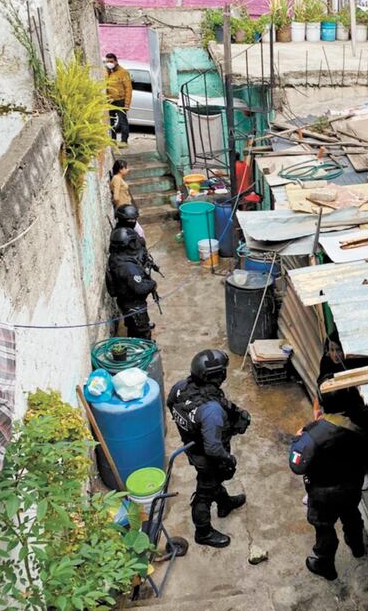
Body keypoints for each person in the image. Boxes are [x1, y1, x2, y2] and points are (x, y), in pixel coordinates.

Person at [167, 350, 251, 548]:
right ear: (216, 376)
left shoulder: (180, 387)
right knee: (204, 492)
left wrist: (191, 428)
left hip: (192, 446)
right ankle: (203, 532)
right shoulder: (211, 411)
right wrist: (228, 458)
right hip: (206, 456)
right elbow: (213, 449)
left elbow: (170, 404)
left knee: (212, 482)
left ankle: (224, 503)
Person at [289, 386, 368, 581]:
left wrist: (297, 439)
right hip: (351, 486)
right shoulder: (359, 424)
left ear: (323, 404)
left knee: (324, 527)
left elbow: (297, 466)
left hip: (323, 493)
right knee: (351, 515)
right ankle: (357, 547)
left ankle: (325, 565)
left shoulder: (313, 434)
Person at [105, 227, 156, 340]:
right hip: (134, 306)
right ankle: (145, 350)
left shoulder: (115, 257)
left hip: (124, 301)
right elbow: (140, 288)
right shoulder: (128, 268)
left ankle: (134, 344)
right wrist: (152, 284)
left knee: (133, 329)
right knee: (143, 333)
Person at [105, 53, 132, 148]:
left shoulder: (123, 72)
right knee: (111, 122)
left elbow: (128, 88)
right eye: (107, 61)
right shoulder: (106, 72)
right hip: (109, 100)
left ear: (116, 61)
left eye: (111, 61)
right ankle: (113, 141)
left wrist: (127, 103)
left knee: (122, 121)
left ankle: (124, 141)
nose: (109, 63)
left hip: (120, 100)